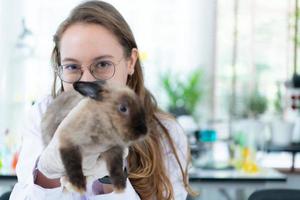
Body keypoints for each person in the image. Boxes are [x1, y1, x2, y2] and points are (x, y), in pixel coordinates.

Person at [10, 1, 195, 199]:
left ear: (130, 62)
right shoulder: (41, 116)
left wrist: (111, 176)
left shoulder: (166, 132)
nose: (87, 80)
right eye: (72, 67)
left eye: (103, 64)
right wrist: (48, 172)